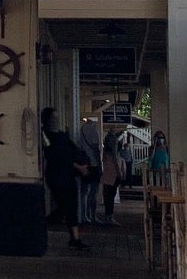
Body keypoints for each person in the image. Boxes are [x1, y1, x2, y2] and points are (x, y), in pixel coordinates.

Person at [39, 107, 92, 253]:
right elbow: (56, 156)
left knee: (71, 206)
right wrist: (78, 167)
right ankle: (70, 236)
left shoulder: (62, 135)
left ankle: (75, 239)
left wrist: (82, 163)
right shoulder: (46, 136)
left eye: (56, 117)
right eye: (53, 117)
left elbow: (72, 151)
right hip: (57, 176)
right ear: (47, 120)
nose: (55, 120)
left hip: (67, 175)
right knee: (65, 207)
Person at [98, 125, 125, 227]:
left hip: (107, 170)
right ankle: (109, 216)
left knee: (108, 194)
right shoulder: (113, 140)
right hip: (113, 170)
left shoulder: (107, 142)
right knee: (111, 194)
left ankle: (107, 216)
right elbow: (114, 155)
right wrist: (119, 171)